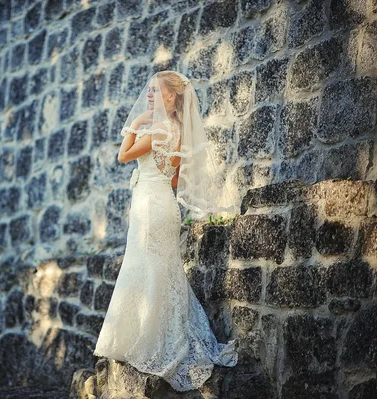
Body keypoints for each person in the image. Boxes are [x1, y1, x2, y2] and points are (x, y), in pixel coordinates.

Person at [92, 70, 238, 392]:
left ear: (171, 97)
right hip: (166, 206)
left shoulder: (157, 126)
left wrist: (139, 120)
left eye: (154, 92)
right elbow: (174, 180)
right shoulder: (179, 131)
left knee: (146, 268)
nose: (148, 96)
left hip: (149, 207)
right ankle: (163, 335)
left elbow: (123, 154)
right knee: (162, 270)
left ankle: (147, 342)